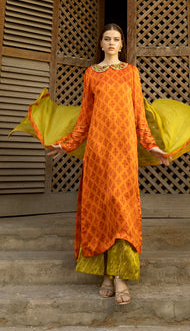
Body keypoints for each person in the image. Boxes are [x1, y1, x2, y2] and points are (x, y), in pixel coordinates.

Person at [47, 23, 169, 305]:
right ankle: (105, 273)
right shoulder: (91, 74)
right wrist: (66, 145)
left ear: (122, 44)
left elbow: (139, 116)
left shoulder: (131, 73)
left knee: (120, 207)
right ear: (100, 44)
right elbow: (84, 119)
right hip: (98, 152)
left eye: (116, 39)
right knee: (100, 207)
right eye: (107, 39)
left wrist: (151, 146)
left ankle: (120, 276)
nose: (111, 43)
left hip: (124, 152)